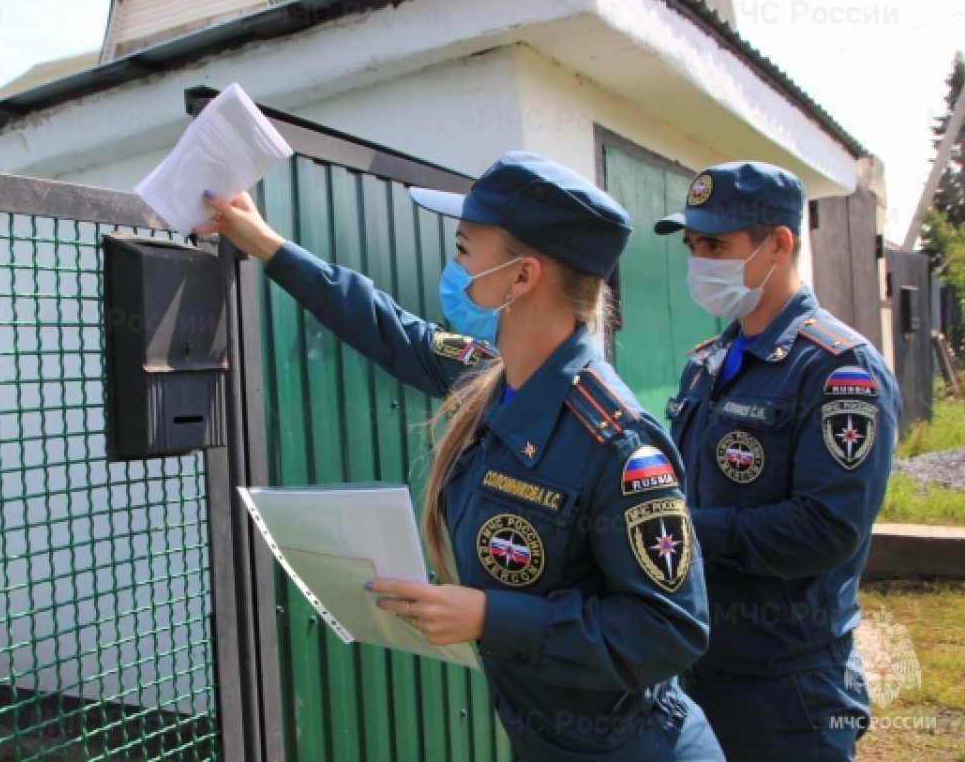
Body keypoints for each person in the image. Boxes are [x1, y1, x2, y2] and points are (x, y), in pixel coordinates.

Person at [195, 151, 724, 761]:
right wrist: (265, 244)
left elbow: (671, 631)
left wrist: (493, 617)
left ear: (522, 278)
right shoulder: (495, 377)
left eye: (464, 249)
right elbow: (390, 328)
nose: (452, 268)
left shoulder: (619, 442)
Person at [654, 162, 900, 761]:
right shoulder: (706, 363)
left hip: (787, 684)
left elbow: (826, 530)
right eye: (693, 246)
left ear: (779, 244)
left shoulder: (839, 370)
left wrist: (681, 529)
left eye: (715, 244)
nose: (699, 260)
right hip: (699, 662)